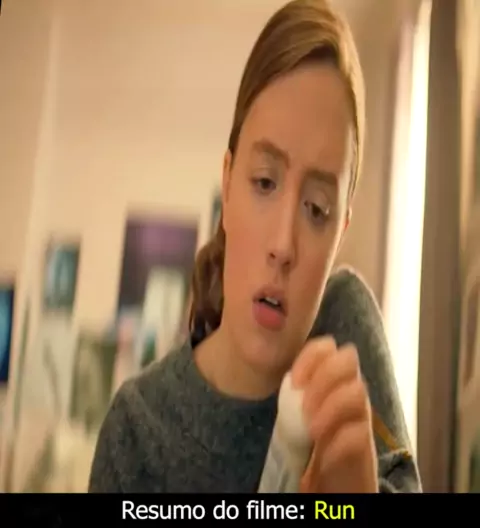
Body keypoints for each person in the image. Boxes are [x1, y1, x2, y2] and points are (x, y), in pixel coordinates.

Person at [89, 0, 421, 493]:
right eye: (265, 182)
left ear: (340, 234)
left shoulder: (345, 331)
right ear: (227, 187)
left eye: (317, 210)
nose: (283, 245)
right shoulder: (137, 431)